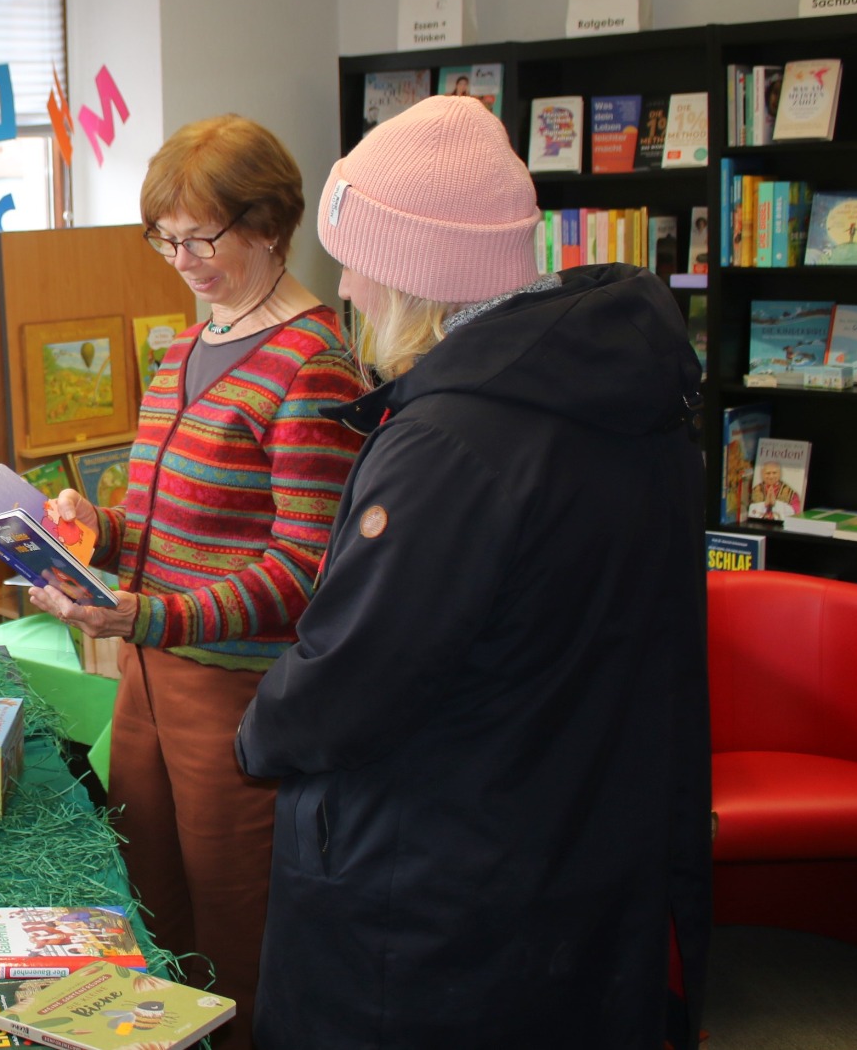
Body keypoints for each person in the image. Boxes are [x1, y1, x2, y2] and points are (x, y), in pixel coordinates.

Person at [236, 95, 711, 1048]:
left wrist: (259, 731)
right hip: (571, 851)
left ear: (413, 271)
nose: (350, 293)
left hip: (431, 894)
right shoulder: (625, 400)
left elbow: (352, 677)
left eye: (357, 262)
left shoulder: (451, 442)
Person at [28, 114, 367, 1047]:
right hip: (146, 674)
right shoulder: (184, 349)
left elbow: (304, 570)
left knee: (237, 940)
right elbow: (177, 530)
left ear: (268, 225)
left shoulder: (313, 365)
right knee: (151, 913)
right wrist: (99, 534)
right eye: (165, 238)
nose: (180, 258)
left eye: (201, 237)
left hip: (236, 694)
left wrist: (146, 613)